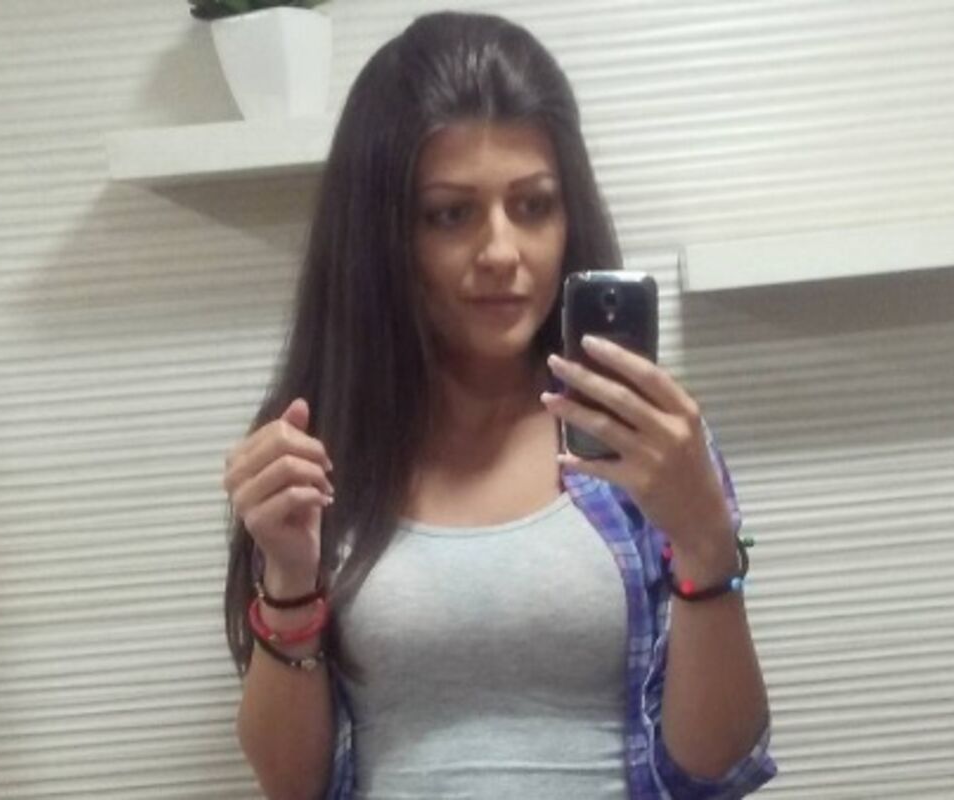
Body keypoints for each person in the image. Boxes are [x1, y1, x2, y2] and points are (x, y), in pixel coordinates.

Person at [221, 10, 776, 799]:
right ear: (383, 235)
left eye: (534, 206)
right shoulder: (317, 450)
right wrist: (288, 573)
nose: (501, 252)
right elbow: (291, 783)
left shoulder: (645, 442)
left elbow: (714, 762)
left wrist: (706, 544)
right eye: (451, 214)